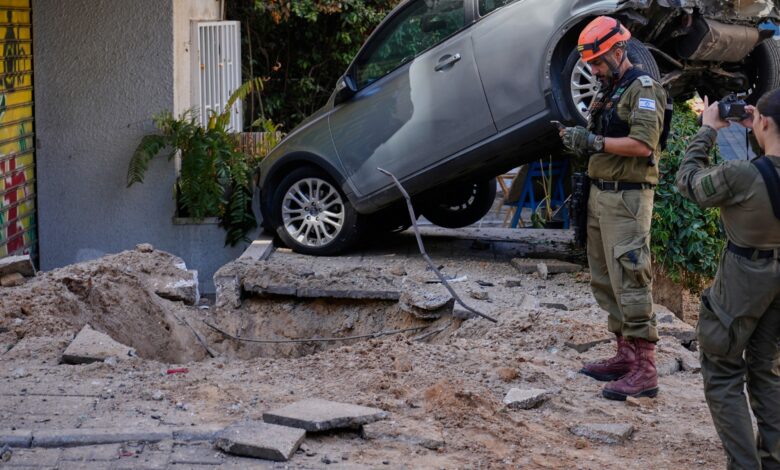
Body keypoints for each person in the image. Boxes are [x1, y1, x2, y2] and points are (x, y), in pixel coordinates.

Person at [558, 16, 668, 401]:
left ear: (619, 51)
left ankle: (646, 370)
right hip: (600, 194)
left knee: (631, 277)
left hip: (628, 197)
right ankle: (625, 355)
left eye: (598, 62)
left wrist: (593, 142)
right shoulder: (609, 89)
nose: (594, 70)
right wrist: (580, 140)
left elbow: (644, 144)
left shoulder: (644, 88)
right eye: (590, 64)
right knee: (605, 278)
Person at [675, 90, 780, 469]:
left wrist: (708, 129)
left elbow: (688, 181)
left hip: (743, 278)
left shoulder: (742, 175)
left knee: (722, 372)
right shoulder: (755, 171)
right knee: (767, 372)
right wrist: (758, 131)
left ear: (763, 122)